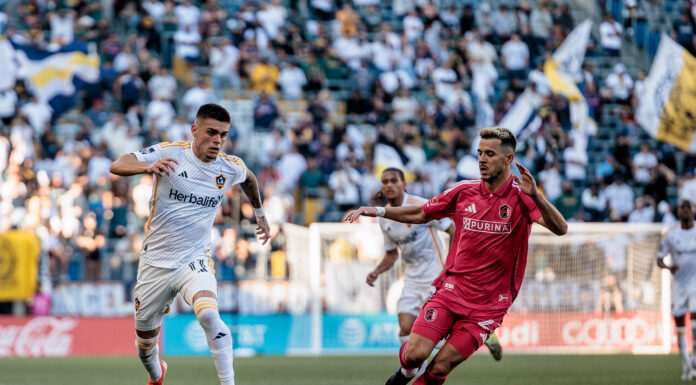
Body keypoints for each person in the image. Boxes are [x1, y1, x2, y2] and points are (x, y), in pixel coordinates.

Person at [345, 127, 567, 385]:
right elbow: (420, 214)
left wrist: (537, 196)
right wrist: (377, 211)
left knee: (440, 367)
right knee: (414, 355)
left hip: (488, 306)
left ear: (508, 160)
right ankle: (406, 372)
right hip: (451, 290)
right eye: (479, 153)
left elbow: (560, 229)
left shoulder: (522, 198)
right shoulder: (463, 191)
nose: (482, 159)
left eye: (490, 154)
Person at [110, 104, 271, 385]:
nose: (218, 140)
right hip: (155, 263)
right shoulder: (170, 153)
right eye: (211, 132)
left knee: (209, 314)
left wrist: (260, 214)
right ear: (195, 130)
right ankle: (157, 374)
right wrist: (147, 167)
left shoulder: (229, 167)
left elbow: (250, 179)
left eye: (223, 134)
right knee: (144, 347)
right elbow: (118, 164)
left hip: (194, 259)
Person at [367, 167, 503, 363]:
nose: (389, 185)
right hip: (412, 280)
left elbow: (454, 229)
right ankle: (414, 371)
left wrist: (455, 264)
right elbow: (390, 255)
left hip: (436, 276)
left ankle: (483, 335)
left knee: (435, 332)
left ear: (404, 185)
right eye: (385, 181)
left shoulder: (421, 205)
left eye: (393, 181)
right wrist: (375, 272)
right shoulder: (385, 219)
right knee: (405, 328)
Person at [657, 198, 696, 381]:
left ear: (694, 210)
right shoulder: (671, 235)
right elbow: (659, 258)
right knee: (679, 324)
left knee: (695, 318)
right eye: (683, 207)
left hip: (695, 283)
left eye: (689, 207)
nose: (686, 210)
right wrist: (667, 267)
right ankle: (686, 366)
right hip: (678, 285)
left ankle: (695, 359)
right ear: (678, 212)